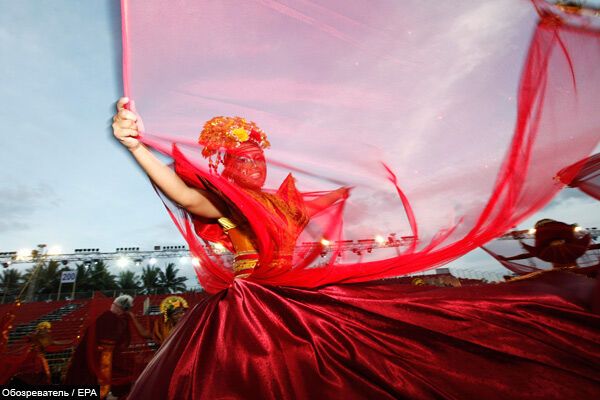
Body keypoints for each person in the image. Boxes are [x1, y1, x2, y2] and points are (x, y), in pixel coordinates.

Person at [113, 99, 600, 399]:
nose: (257, 166)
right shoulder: (226, 203)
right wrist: (137, 148)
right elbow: (184, 195)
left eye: (261, 157)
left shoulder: (285, 202)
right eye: (244, 158)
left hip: (297, 295)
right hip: (254, 309)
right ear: (224, 164)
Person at [64, 295, 143, 399]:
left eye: (114, 304)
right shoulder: (123, 320)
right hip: (110, 354)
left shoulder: (109, 316)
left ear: (118, 307)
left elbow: (92, 333)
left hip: (101, 354)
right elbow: (123, 341)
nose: (111, 306)